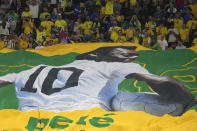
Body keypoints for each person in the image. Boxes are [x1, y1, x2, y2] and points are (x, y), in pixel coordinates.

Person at [0, 46, 196, 116]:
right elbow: (160, 82)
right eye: (123, 53)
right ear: (96, 54)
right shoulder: (108, 65)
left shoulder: (36, 69)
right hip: (82, 114)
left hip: (30, 117)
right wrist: (187, 101)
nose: (129, 57)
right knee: (120, 99)